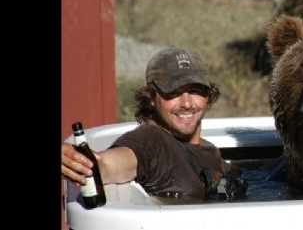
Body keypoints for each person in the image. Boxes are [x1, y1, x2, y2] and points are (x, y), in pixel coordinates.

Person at [61, 46, 247, 200]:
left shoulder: (208, 150)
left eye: (195, 90)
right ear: (151, 98)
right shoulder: (151, 141)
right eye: (173, 92)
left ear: (208, 95)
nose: (187, 103)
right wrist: (80, 162)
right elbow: (111, 164)